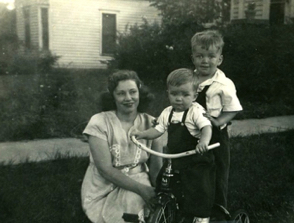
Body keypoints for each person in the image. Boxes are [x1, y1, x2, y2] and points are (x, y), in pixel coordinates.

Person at [131, 68, 215, 223]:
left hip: (196, 158)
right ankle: (171, 208)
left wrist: (203, 142)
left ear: (194, 96)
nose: (178, 99)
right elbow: (157, 130)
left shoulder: (195, 111)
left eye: (185, 94)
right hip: (176, 158)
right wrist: (142, 134)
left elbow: (206, 128)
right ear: (168, 93)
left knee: (198, 187)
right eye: (174, 94)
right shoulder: (167, 112)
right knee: (164, 182)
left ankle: (201, 216)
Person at [81, 70, 164, 223]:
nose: (128, 98)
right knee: (135, 201)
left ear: (140, 92)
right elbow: (105, 169)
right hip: (104, 187)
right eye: (121, 94)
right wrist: (142, 190)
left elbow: (156, 168)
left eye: (133, 92)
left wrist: (159, 192)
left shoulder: (152, 124)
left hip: (140, 181)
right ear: (112, 96)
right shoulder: (99, 122)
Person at [191, 30, 243, 221]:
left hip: (215, 137)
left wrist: (218, 121)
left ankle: (218, 213)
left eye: (211, 56)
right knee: (194, 172)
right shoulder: (190, 79)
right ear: (193, 58)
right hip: (191, 132)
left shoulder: (223, 84)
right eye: (200, 56)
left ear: (219, 59)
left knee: (216, 174)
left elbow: (233, 108)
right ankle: (193, 209)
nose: (205, 60)